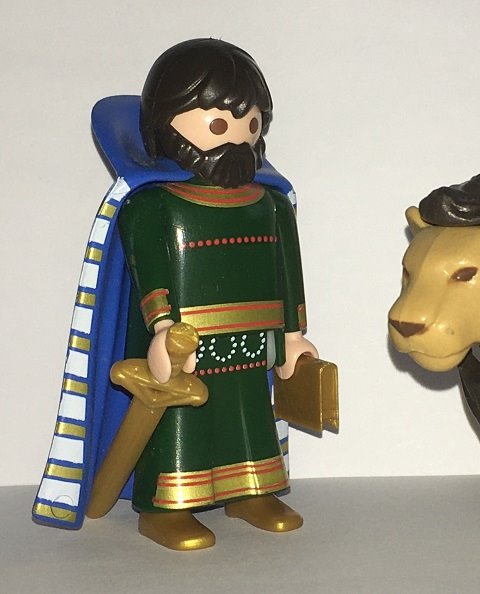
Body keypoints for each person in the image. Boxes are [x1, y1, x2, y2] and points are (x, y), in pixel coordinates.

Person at [33, 39, 317, 550]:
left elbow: (287, 273)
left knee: (251, 414)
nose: (239, 134)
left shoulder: (271, 205)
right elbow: (152, 273)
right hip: (187, 340)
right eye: (219, 123)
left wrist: (294, 335)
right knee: (181, 423)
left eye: (251, 122)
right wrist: (163, 329)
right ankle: (167, 507)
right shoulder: (154, 206)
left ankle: (253, 492)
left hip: (253, 341)